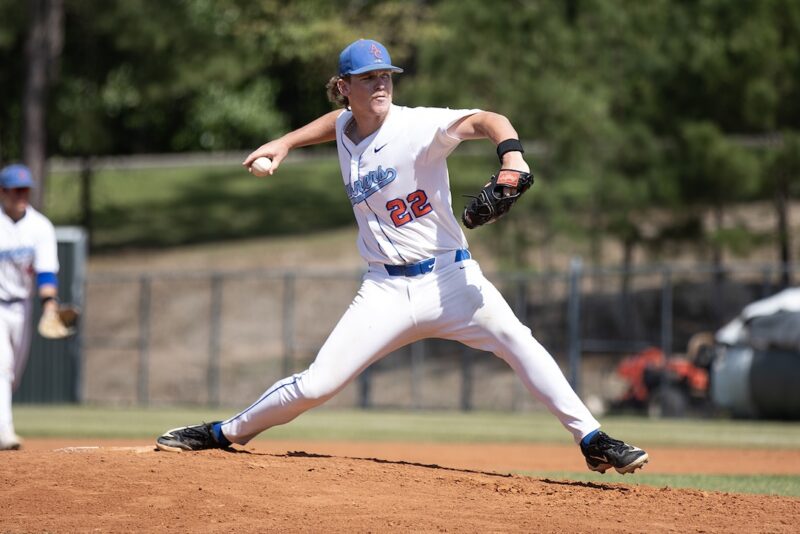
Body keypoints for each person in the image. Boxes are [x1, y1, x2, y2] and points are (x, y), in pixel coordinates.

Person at [157, 39, 649, 474]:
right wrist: (284, 142)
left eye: (386, 76)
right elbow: (338, 123)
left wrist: (512, 155)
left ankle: (592, 439)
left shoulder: (417, 126)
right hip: (385, 289)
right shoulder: (349, 124)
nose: (381, 85)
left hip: (451, 279)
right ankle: (224, 433)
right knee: (316, 386)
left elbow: (485, 119)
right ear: (344, 86)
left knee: (518, 341)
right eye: (369, 78)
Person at [0, 163, 61, 451]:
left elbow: (46, 272)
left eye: (26, 189)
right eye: (16, 190)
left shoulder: (40, 226)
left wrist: (49, 305)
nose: (22, 195)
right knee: (2, 366)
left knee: (12, 377)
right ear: (2, 192)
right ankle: (4, 433)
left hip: (22, 306)